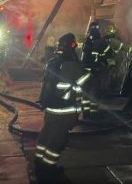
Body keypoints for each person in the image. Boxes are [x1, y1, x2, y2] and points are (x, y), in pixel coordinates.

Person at [35, 33, 90, 175]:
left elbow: (46, 84)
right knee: (57, 141)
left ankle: (38, 162)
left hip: (51, 109)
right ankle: (48, 170)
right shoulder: (73, 66)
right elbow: (84, 82)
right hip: (65, 111)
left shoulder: (53, 62)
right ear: (71, 46)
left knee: (46, 134)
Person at [80, 21, 112, 116]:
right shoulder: (102, 42)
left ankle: (85, 112)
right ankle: (93, 113)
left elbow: (83, 55)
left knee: (85, 92)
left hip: (85, 70)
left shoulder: (86, 42)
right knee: (95, 92)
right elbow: (108, 53)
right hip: (95, 71)